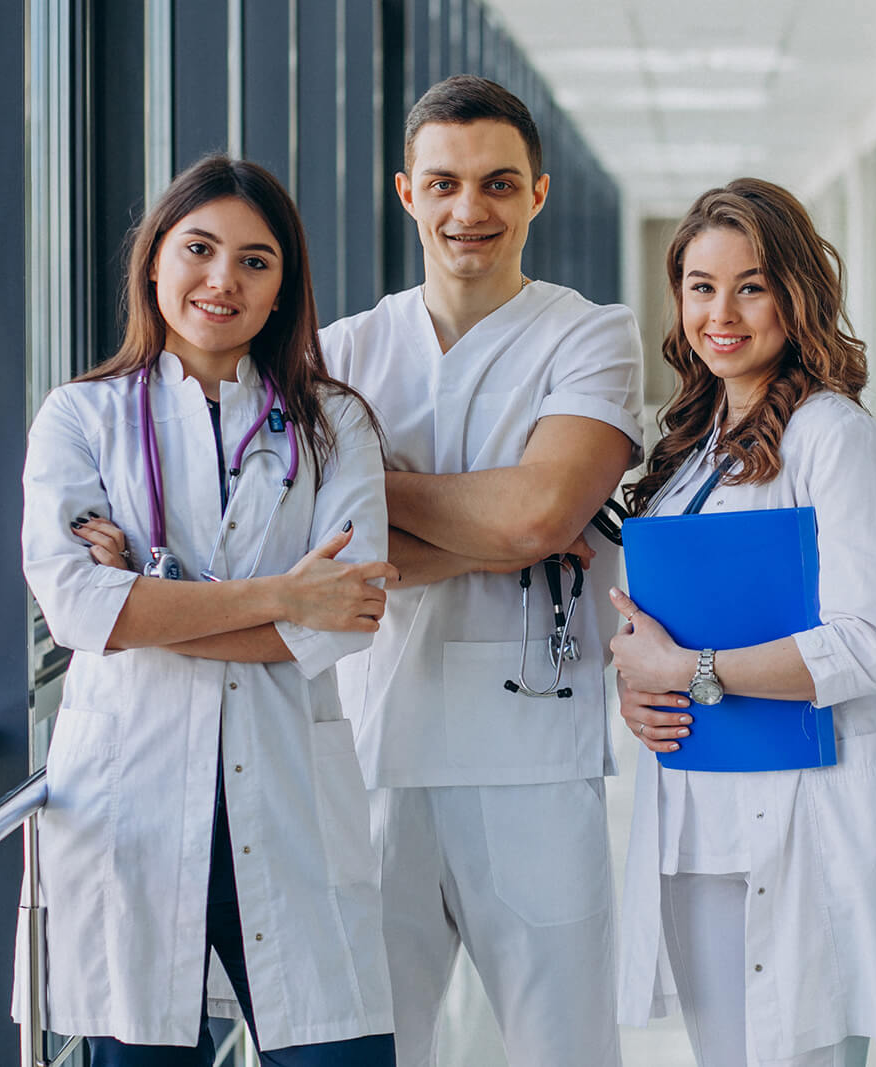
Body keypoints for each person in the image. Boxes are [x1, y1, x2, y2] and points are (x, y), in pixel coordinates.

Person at [18, 155, 398, 1065]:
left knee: (341, 1048)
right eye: (199, 248)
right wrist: (280, 594)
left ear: (282, 289)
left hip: (291, 804)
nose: (223, 279)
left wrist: (155, 598)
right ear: (155, 261)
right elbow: (80, 611)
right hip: (133, 815)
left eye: (256, 261)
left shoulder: (333, 424)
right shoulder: (81, 417)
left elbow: (344, 614)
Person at [319, 75, 642, 1067]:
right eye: (445, 183)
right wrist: (503, 525)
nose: (471, 210)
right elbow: (327, 558)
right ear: (406, 192)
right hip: (373, 749)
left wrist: (371, 481)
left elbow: (542, 509)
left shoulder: (589, 333)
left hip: (533, 752)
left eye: (499, 184)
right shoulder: (338, 352)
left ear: (538, 194)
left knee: (564, 1048)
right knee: (367, 1044)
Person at [609, 178, 876, 1067]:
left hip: (805, 811)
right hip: (696, 815)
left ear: (797, 293)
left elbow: (868, 643)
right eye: (702, 286)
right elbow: (659, 630)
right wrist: (640, 684)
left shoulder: (835, 435)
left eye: (750, 285)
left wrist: (689, 671)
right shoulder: (687, 445)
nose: (723, 312)